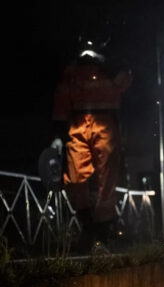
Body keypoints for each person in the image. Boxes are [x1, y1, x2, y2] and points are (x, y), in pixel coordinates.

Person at [52, 35, 131, 249]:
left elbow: (125, 80)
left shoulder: (110, 66)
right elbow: (62, 98)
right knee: (75, 176)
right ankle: (87, 223)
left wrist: (105, 61)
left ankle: (103, 230)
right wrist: (58, 134)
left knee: (107, 178)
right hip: (77, 123)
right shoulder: (72, 70)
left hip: (105, 123)